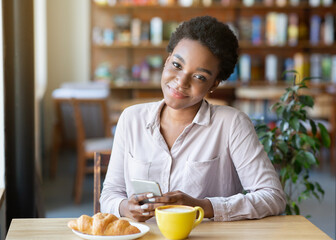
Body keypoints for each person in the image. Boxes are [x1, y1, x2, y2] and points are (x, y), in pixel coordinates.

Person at [100, 16, 286, 222]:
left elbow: (272, 196)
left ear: (214, 84)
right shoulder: (131, 119)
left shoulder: (232, 124)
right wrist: (125, 207)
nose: (181, 82)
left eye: (199, 77)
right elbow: (110, 194)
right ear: (167, 59)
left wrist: (203, 206)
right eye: (177, 65)